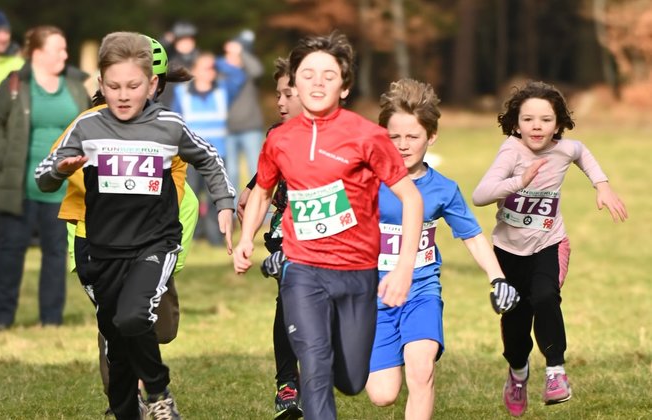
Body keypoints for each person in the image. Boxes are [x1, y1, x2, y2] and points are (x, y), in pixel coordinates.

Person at [36, 32, 235, 420]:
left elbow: (209, 158)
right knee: (115, 334)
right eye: (113, 86)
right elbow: (44, 175)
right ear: (100, 85)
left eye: (133, 86)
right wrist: (60, 171)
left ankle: (159, 393)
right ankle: (126, 411)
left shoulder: (168, 125)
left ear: (152, 85)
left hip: (153, 243)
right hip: (103, 247)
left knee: (134, 317)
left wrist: (224, 203)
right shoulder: (87, 127)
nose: (123, 95)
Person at [233, 32, 424, 420]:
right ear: (295, 84)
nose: (317, 83)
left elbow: (412, 198)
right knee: (315, 365)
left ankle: (341, 355)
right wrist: (245, 239)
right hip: (302, 269)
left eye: (328, 75)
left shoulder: (367, 136)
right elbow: (263, 190)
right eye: (308, 74)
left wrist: (403, 266)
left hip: (356, 272)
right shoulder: (280, 140)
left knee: (351, 379)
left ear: (345, 86)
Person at [365, 78, 522, 420]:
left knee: (421, 372)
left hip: (422, 291)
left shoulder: (442, 189)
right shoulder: (366, 182)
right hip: (372, 295)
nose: (403, 145)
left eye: (413, 137)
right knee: (382, 394)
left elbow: (473, 235)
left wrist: (498, 279)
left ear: (431, 137)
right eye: (395, 137)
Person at [472, 81, 627, 416]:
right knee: (514, 324)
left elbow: (582, 151)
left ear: (558, 124)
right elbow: (480, 195)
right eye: (528, 119)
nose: (537, 126)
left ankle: (556, 371)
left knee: (544, 296)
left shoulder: (564, 149)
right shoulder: (511, 152)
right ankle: (517, 372)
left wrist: (602, 185)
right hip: (507, 251)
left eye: (545, 119)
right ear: (515, 123)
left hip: (549, 243)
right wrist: (519, 182)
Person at [0, 25, 91, 329]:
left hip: (63, 189)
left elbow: (89, 122)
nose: (66, 55)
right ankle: (2, 320)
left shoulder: (74, 84)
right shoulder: (17, 83)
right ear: (39, 53)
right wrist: (4, 156)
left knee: (56, 255)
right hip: (21, 188)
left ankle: (51, 320)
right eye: (60, 49)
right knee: (10, 253)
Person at [235, 57, 306, 420]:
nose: (279, 102)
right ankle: (287, 384)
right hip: (283, 233)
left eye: (287, 94)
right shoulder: (275, 135)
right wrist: (250, 190)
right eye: (277, 94)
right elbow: (266, 174)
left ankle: (312, 374)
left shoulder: (338, 134)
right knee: (290, 299)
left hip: (327, 237)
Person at [172, 50, 245, 246]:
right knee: (190, 198)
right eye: (205, 67)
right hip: (190, 156)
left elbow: (239, 76)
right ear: (194, 70)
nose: (210, 71)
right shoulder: (181, 93)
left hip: (217, 154)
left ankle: (216, 238)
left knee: (216, 198)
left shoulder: (223, 89)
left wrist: (219, 62)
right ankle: (192, 236)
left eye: (212, 68)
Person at [223, 30, 265, 191]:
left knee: (255, 172)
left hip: (251, 128)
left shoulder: (250, 72)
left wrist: (241, 52)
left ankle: (256, 209)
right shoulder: (222, 72)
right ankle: (232, 211)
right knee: (230, 172)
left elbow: (258, 70)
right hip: (228, 129)